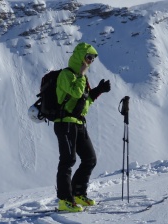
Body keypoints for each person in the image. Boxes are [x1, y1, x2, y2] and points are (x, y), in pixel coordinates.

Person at [54, 42, 111, 212]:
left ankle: (78, 193)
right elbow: (76, 93)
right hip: (64, 123)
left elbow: (83, 102)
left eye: (92, 58)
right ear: (80, 56)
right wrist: (81, 75)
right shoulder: (66, 74)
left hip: (78, 123)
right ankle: (65, 200)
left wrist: (98, 90)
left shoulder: (82, 77)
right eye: (88, 57)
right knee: (68, 160)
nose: (90, 61)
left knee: (90, 159)